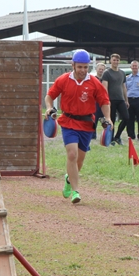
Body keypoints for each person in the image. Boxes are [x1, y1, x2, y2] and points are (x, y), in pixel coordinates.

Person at [45, 49, 111, 204]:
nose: (82, 70)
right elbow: (49, 96)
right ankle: (75, 191)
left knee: (79, 160)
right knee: (72, 155)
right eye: (80, 67)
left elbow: (104, 101)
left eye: (85, 67)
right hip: (68, 122)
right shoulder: (63, 79)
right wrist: (49, 107)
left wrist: (108, 118)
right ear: (73, 65)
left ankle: (69, 179)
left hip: (87, 124)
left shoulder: (94, 82)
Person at [101, 54, 129, 145]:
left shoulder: (122, 73)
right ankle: (111, 139)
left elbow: (124, 87)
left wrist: (126, 100)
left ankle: (117, 136)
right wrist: (107, 100)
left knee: (126, 118)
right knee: (111, 120)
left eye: (117, 60)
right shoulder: (107, 73)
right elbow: (104, 87)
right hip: (111, 100)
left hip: (120, 99)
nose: (116, 62)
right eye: (114, 60)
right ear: (110, 61)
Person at [91, 62, 107, 140]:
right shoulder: (93, 79)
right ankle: (93, 135)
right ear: (96, 69)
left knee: (105, 119)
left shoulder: (105, 80)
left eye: (102, 69)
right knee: (95, 119)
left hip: (103, 102)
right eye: (100, 69)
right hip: (95, 102)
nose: (101, 71)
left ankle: (106, 136)